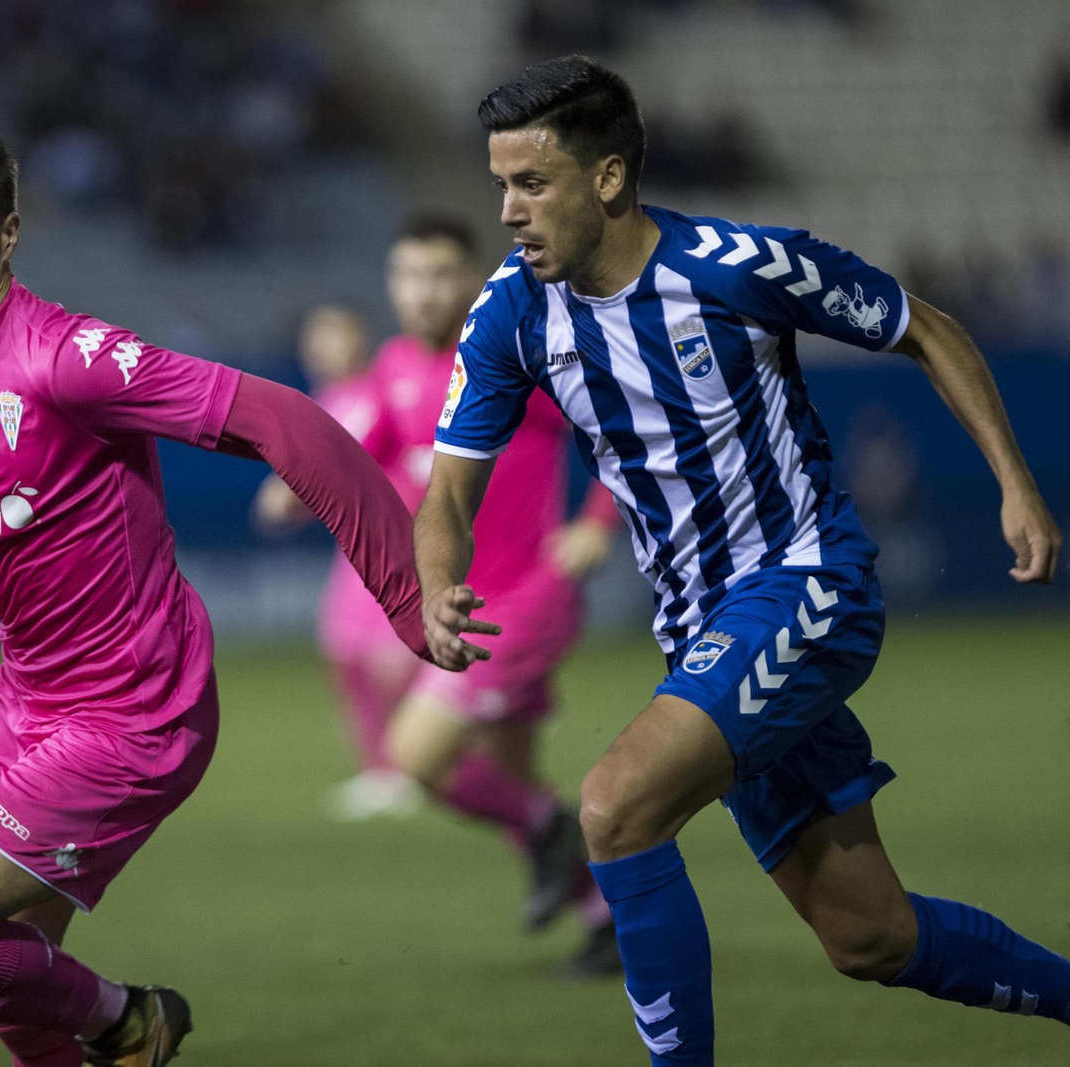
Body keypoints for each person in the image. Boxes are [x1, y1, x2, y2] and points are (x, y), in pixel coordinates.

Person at [0, 119, 426, 1067]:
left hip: (138, 708)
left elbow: (283, 419)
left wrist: (411, 602)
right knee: (11, 972)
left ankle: (134, 1021)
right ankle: (113, 1030)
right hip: (29, 697)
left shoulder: (66, 359)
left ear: (8, 234)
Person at [419, 55, 1067, 1064]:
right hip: (702, 637)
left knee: (615, 805)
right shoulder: (511, 315)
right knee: (869, 935)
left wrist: (1015, 486)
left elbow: (926, 329)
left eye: (530, 182)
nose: (507, 209)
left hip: (809, 583)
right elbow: (446, 491)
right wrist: (433, 578)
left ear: (607, 178)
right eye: (501, 183)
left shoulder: (737, 264)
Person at [260, 216, 624, 974]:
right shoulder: (396, 366)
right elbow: (367, 447)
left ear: (472, 280)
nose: (420, 293)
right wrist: (302, 484)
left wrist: (595, 522)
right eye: (406, 276)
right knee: (512, 777)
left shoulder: (515, 357)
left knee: (416, 754)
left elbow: (619, 432)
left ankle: (554, 828)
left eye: (438, 275)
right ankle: (605, 920)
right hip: (462, 603)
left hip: (526, 598)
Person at [254, 304, 428, 821]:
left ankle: (412, 766)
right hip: (353, 550)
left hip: (393, 540)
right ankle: (382, 770)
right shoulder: (327, 400)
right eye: (317, 337)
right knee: (345, 655)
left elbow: (344, 458)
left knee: (392, 660)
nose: (324, 347)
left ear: (359, 338)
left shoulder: (377, 390)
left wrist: (285, 494)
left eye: (335, 334)